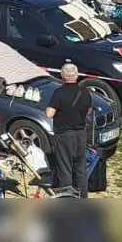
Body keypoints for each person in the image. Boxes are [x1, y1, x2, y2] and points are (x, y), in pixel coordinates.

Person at [44, 63, 93, 197]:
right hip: (80, 133)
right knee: (80, 166)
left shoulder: (59, 93)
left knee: (65, 166)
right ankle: (83, 195)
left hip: (64, 134)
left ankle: (67, 197)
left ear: (62, 76)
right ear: (76, 76)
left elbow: (49, 113)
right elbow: (89, 110)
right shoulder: (85, 92)